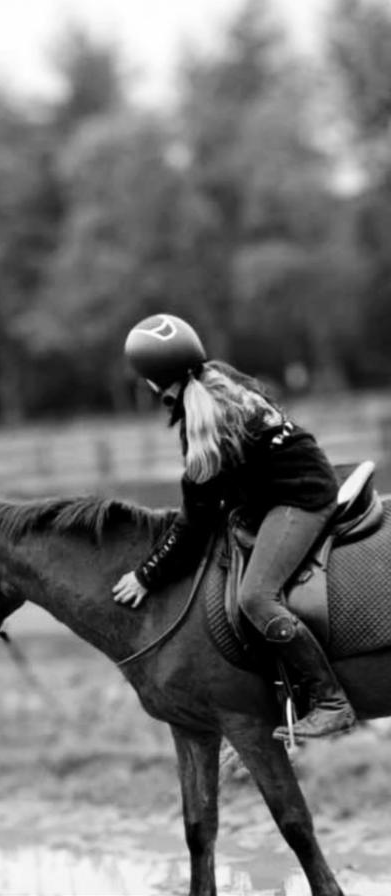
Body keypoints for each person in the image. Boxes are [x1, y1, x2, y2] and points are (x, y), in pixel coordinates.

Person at [113, 312, 356, 741]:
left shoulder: (201, 423)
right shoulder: (220, 376)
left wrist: (146, 574)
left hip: (299, 500)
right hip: (287, 483)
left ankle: (331, 701)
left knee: (256, 598)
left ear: (153, 381)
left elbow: (195, 522)